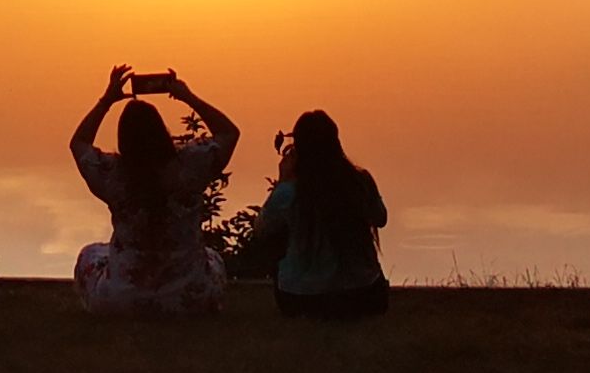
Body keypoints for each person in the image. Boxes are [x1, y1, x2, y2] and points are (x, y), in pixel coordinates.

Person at [70, 64, 241, 318]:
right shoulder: (190, 165)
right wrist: (186, 96)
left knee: (89, 254)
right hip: (190, 299)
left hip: (121, 299)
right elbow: (229, 133)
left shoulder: (114, 174)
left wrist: (107, 100)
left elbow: (79, 143)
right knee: (213, 257)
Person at [246, 108, 389, 320]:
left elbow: (261, 230)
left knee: (278, 230)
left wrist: (282, 181)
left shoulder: (289, 192)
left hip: (302, 300)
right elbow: (381, 219)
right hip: (365, 296)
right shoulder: (360, 181)